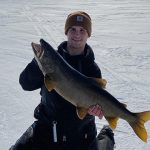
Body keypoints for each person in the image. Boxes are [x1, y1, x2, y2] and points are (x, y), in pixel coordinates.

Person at [10, 11, 115, 150]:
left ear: (88, 34)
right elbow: (25, 84)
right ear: (67, 31)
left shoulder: (92, 69)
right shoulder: (51, 59)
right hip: (46, 130)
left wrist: (93, 111)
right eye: (73, 29)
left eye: (82, 30)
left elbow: (96, 101)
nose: (77, 34)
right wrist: (38, 62)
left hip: (80, 136)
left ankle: (106, 137)